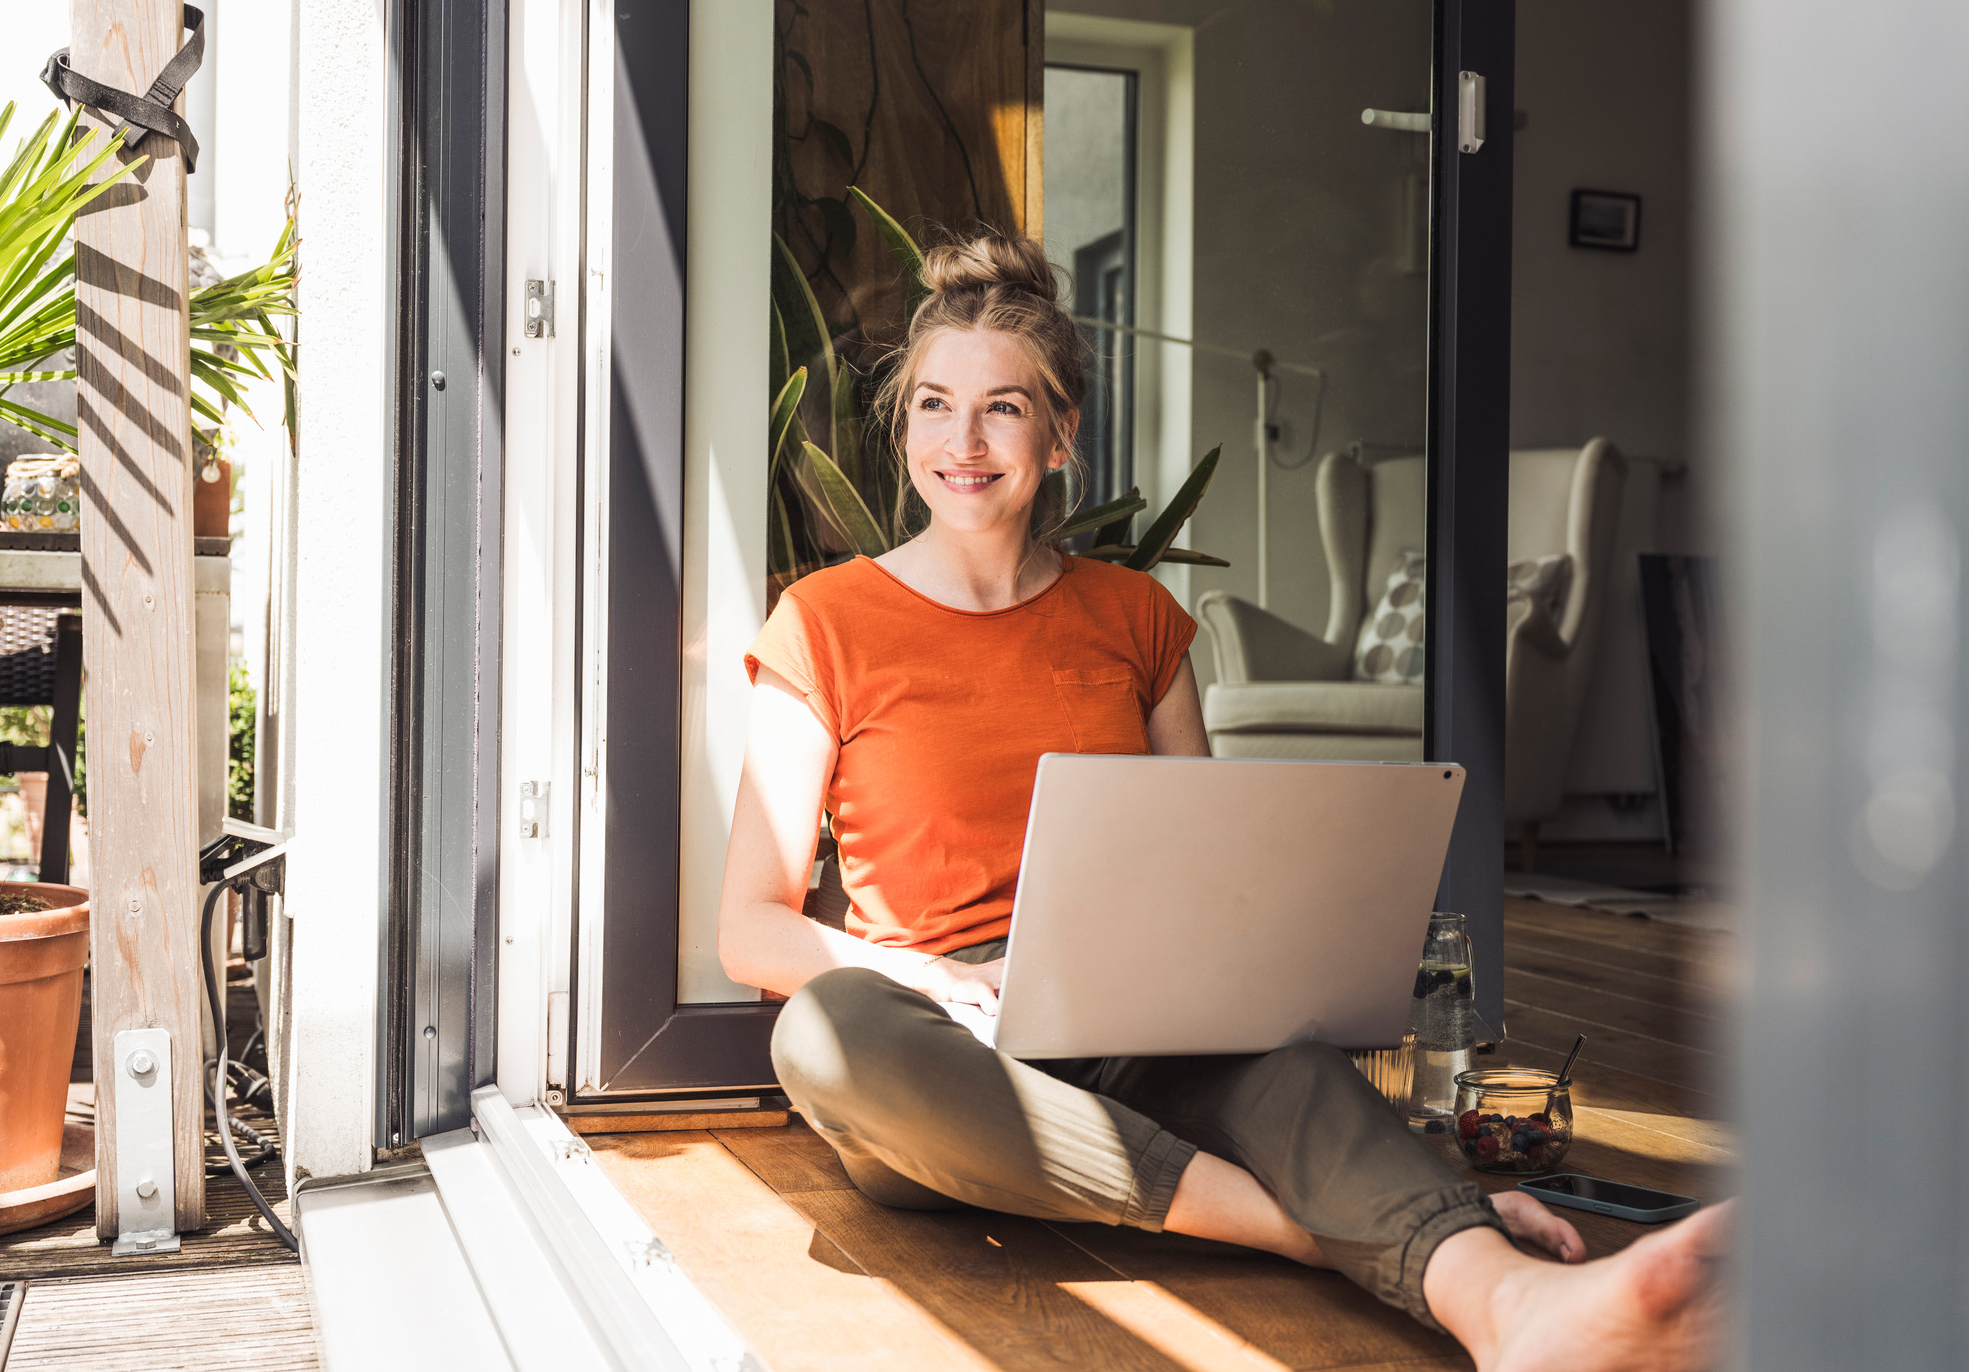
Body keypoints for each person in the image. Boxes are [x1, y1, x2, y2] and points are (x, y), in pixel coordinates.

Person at [719, 233, 1726, 1369]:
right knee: (825, 1033)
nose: (964, 443)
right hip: (939, 1051)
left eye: (1003, 408)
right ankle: (1314, 1229)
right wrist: (938, 981)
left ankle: (1514, 1304)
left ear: (1061, 434)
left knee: (1289, 1069)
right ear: (903, 424)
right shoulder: (824, 622)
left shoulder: (1136, 618)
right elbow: (750, 927)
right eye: (934, 406)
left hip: (1130, 1019)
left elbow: (1203, 870)